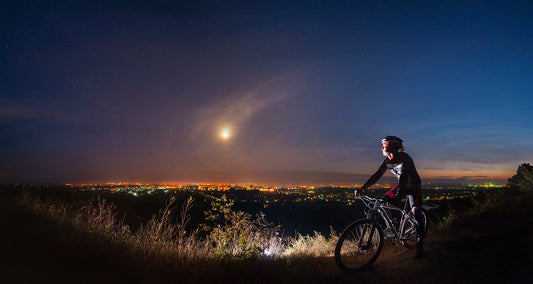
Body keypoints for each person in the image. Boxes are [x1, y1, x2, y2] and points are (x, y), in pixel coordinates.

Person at [354, 136, 425, 259]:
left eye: (384, 145)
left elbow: (403, 181)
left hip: (413, 188)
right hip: (402, 186)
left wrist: (398, 196)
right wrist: (363, 188)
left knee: (416, 214)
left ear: (392, 147)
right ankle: (391, 226)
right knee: (383, 201)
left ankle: (420, 247)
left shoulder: (405, 159)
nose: (382, 148)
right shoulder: (388, 160)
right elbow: (376, 176)